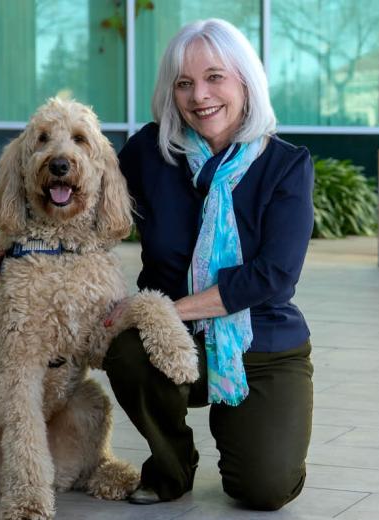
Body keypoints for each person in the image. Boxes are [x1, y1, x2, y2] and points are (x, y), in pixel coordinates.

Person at [102, 18, 314, 511]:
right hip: (171, 341)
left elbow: (274, 274)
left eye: (214, 77)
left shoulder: (286, 165)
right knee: (127, 349)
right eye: (184, 83)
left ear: (245, 81)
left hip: (262, 339)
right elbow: (87, 208)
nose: (199, 96)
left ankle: (250, 430)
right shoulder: (149, 152)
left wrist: (164, 311)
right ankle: (172, 463)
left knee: (264, 490)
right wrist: (14, 243)